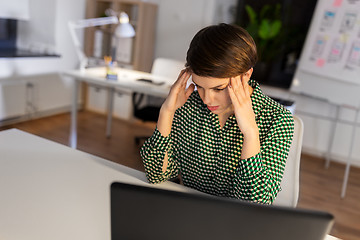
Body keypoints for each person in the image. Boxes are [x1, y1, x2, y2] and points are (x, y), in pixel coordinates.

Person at [140, 23, 294, 204]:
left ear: (246, 75)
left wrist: (251, 133)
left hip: (237, 224)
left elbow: (254, 203)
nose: (207, 99)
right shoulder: (188, 107)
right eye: (199, 86)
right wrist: (167, 111)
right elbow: (157, 174)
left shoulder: (277, 120)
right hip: (191, 214)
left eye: (219, 89)